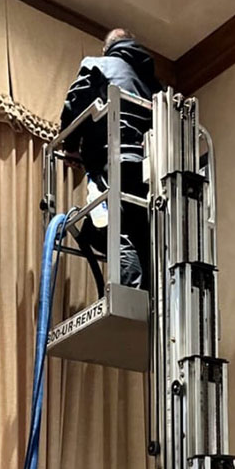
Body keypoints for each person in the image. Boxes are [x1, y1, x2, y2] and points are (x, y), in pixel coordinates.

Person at [60, 28, 161, 289]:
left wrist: (71, 146)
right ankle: (146, 299)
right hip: (147, 166)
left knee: (119, 230)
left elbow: (75, 104)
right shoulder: (152, 85)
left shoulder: (97, 64)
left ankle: (128, 296)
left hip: (111, 159)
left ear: (106, 48)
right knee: (140, 233)